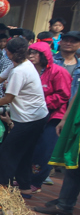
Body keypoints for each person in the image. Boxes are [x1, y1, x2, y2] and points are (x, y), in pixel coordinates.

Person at [0, 37, 48, 192]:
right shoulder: (19, 65)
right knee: (24, 153)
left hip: (30, 119)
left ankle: (3, 189)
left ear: (8, 52)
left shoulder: (20, 71)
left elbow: (8, 98)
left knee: (5, 153)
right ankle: (25, 187)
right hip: (37, 116)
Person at [24, 41, 70, 193]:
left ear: (44, 55)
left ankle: (36, 182)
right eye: (29, 52)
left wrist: (41, 103)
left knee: (44, 150)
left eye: (34, 53)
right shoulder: (30, 71)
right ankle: (26, 178)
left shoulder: (58, 72)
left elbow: (63, 95)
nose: (31, 56)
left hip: (53, 116)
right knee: (30, 147)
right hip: (33, 115)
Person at [54, 31, 80, 98]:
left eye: (73, 41)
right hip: (49, 103)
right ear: (60, 42)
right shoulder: (50, 61)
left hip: (70, 105)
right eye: (66, 40)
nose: (68, 43)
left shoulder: (78, 66)